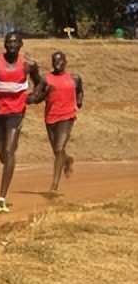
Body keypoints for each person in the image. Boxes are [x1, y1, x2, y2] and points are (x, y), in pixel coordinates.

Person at [0, 31, 43, 213]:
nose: (12, 45)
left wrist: (34, 96)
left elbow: (40, 82)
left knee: (9, 150)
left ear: (21, 44)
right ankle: (10, 162)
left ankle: (1, 197)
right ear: (4, 44)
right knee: (3, 156)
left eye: (15, 42)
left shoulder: (29, 64)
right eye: (8, 42)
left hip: (16, 112)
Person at [33, 50, 82, 194]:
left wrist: (79, 102)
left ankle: (54, 186)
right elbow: (36, 97)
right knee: (57, 151)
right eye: (55, 61)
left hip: (67, 116)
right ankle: (67, 160)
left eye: (60, 61)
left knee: (59, 148)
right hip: (50, 118)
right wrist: (45, 92)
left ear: (66, 62)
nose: (57, 64)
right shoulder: (45, 79)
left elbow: (79, 91)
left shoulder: (75, 78)